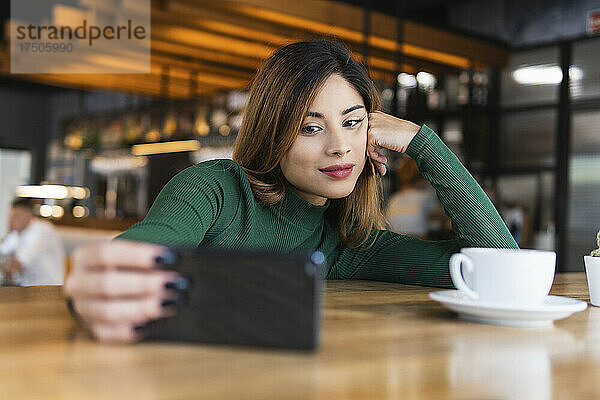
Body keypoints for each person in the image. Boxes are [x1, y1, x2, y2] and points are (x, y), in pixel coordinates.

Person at [64, 38, 518, 343]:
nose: (339, 146)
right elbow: (139, 254)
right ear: (274, 134)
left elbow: (500, 267)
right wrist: (99, 282)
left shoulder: (349, 245)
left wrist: (425, 147)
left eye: (353, 122)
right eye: (310, 127)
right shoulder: (215, 188)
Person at [0, 198, 65, 286]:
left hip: (49, 290)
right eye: (10, 217)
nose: (10, 221)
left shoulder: (42, 230)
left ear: (29, 215)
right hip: (27, 289)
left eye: (16, 216)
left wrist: (6, 266)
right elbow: (3, 252)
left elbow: (18, 264)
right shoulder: (17, 233)